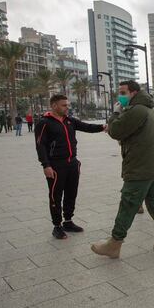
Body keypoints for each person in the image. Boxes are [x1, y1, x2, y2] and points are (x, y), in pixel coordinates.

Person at [91, 80, 154, 258]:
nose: (120, 97)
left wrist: (115, 113)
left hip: (139, 167)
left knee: (128, 205)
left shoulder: (136, 110)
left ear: (134, 93)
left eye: (123, 92)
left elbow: (115, 131)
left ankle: (114, 243)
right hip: (152, 167)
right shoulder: (151, 111)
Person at [35, 94, 106, 240]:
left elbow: (87, 127)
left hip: (72, 163)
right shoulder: (44, 123)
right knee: (55, 196)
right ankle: (57, 226)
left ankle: (68, 221)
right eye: (64, 105)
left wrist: (103, 127)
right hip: (55, 165)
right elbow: (40, 145)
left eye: (67, 105)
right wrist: (46, 165)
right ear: (54, 106)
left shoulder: (70, 121)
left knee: (71, 193)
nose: (67, 107)